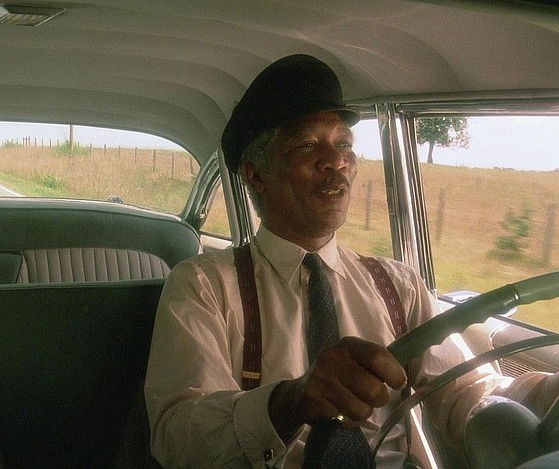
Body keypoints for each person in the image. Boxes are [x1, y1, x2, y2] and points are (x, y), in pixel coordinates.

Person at [144, 55, 558, 468]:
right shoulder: (203, 285)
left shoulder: (398, 284)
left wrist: (549, 396)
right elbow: (178, 437)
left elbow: (466, 392)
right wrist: (290, 401)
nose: (336, 161)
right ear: (255, 175)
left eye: (344, 144)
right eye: (308, 146)